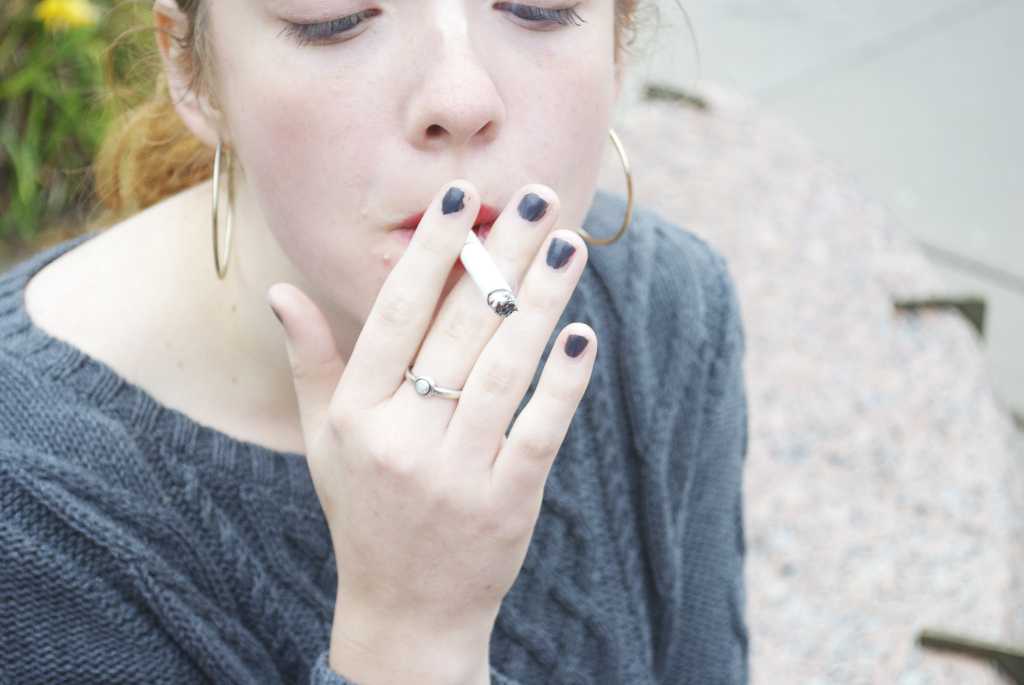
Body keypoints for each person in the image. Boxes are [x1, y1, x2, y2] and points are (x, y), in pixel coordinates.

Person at [0, 1, 750, 683]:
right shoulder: (26, 504)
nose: (461, 100)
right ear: (191, 70)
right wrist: (410, 637)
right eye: (337, 17)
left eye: (539, 7)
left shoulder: (666, 308)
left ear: (618, 41)